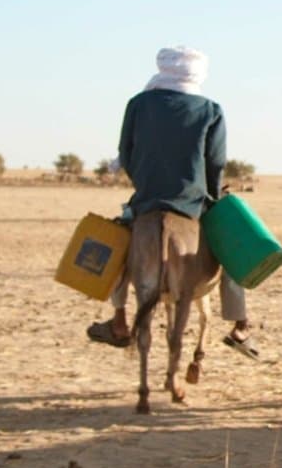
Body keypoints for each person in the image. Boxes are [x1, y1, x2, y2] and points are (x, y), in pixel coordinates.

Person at [86, 46, 259, 359]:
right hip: (193, 202)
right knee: (233, 248)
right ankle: (239, 324)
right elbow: (215, 162)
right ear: (198, 73)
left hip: (146, 200)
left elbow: (126, 152)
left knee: (117, 248)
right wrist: (211, 195)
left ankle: (119, 318)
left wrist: (145, 184)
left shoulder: (138, 104)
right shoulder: (210, 109)